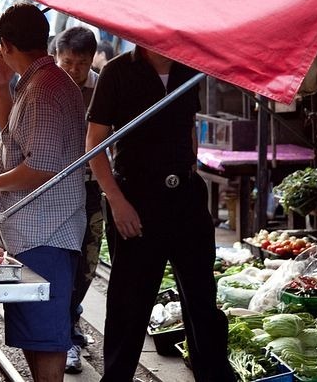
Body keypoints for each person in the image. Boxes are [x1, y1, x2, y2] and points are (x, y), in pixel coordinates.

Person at [86, 46, 235, 382]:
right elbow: (94, 144)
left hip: (185, 198)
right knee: (129, 303)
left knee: (201, 299)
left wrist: (188, 166)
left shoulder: (189, 68)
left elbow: (189, 126)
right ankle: (117, 378)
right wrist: (117, 201)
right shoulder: (117, 72)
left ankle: (213, 376)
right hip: (136, 199)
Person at [0, 3, 86, 382]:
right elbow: (12, 133)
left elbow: (42, 169)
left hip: (46, 231)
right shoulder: (34, 82)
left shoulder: (45, 88)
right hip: (32, 231)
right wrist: (1, 84)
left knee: (48, 337)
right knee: (36, 334)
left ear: (4, 43)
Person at [54, 26, 102, 374]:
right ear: (57, 57)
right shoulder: (45, 85)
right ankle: (65, 333)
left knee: (88, 259)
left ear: (92, 61)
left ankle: (71, 319)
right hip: (51, 190)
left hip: (88, 187)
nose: (73, 70)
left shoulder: (99, 87)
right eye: (67, 62)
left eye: (81, 64)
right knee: (59, 260)